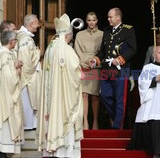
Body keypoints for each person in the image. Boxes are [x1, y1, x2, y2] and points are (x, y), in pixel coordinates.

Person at [36, 13, 83, 158]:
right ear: (68, 35)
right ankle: (64, 152)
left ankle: (52, 150)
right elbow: (75, 73)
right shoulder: (66, 50)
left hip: (52, 99)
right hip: (63, 99)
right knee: (65, 120)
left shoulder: (51, 47)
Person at [89, 7, 137, 129]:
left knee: (120, 99)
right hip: (106, 70)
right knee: (105, 96)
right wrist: (96, 60)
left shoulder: (128, 30)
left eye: (110, 17)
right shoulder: (107, 31)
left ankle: (117, 127)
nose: (108, 19)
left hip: (121, 70)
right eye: (108, 17)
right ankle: (118, 120)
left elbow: (133, 49)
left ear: (118, 17)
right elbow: (102, 51)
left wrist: (119, 60)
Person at [0, 30, 23, 157]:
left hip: (1, 96)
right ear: (11, 42)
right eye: (15, 40)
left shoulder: (1, 54)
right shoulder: (5, 56)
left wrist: (14, 65)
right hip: (5, 99)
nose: (16, 42)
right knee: (4, 132)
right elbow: (9, 79)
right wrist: (17, 71)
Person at [74, 11, 103, 130]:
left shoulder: (102, 34)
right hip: (83, 66)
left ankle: (95, 121)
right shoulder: (80, 34)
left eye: (93, 20)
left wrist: (94, 61)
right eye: (89, 20)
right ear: (86, 21)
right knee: (84, 94)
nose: (91, 22)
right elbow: (77, 50)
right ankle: (85, 121)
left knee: (95, 96)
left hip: (96, 67)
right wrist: (83, 63)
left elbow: (103, 51)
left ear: (97, 21)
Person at [16, 14, 41, 130]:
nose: (39, 25)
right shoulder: (25, 39)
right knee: (27, 100)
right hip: (27, 78)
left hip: (27, 75)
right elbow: (26, 62)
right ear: (31, 24)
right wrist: (37, 53)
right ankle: (29, 124)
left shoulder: (24, 36)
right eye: (37, 23)